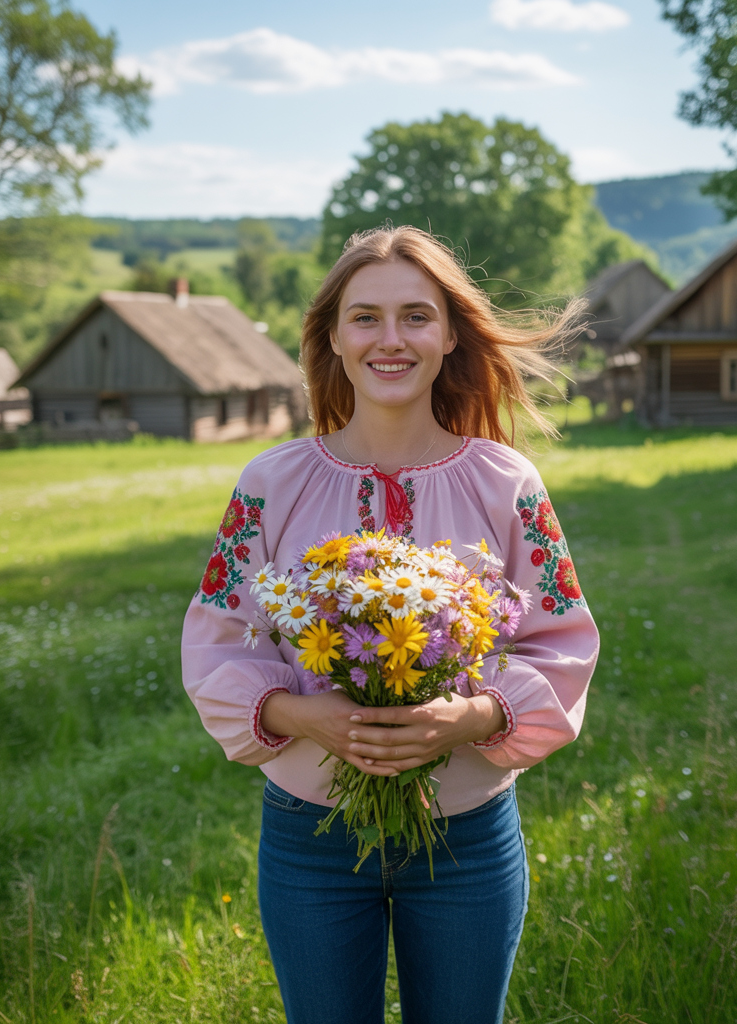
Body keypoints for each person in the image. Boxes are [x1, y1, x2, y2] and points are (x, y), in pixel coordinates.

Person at [181, 226, 599, 1024]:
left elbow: (564, 639)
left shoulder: (507, 482)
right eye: (365, 317)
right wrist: (297, 712)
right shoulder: (270, 483)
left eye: (416, 315)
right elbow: (215, 637)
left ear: (448, 335)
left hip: (467, 837)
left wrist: (472, 715)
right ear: (333, 337)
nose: (391, 338)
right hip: (310, 838)